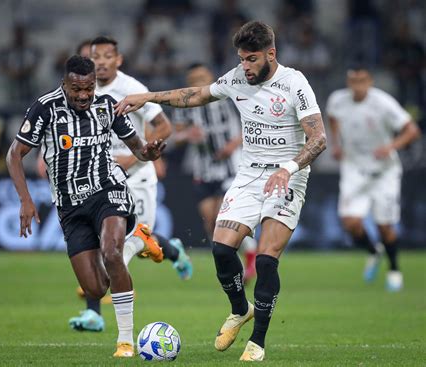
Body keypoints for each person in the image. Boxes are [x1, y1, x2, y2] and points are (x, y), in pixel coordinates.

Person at [115, 21, 327, 361]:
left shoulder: (294, 83)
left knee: (267, 259)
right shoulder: (238, 78)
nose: (245, 66)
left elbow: (319, 138)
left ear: (271, 54)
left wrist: (288, 168)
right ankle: (240, 309)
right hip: (248, 176)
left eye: (252, 59)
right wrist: (148, 97)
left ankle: (256, 342)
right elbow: (196, 95)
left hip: (289, 176)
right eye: (242, 59)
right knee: (221, 249)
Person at [6, 55, 166, 358]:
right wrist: (26, 199)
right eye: (76, 89)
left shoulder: (107, 106)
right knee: (95, 289)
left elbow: (138, 151)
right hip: (69, 206)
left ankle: (126, 342)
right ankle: (138, 242)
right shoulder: (45, 108)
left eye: (89, 89)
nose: (83, 96)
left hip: (108, 190)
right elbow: (15, 154)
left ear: (95, 84)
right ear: (65, 83)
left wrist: (150, 151)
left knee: (111, 253)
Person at [68, 36, 193, 332]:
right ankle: (93, 313)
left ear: (118, 59)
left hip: (136, 177)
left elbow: (164, 126)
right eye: (94, 56)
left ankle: (173, 251)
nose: (100, 61)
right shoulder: (82, 91)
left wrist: (141, 155)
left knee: (136, 241)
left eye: (106, 56)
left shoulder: (133, 89)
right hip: (100, 181)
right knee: (102, 245)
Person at [326, 66, 420, 291]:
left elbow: (412, 130)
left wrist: (391, 146)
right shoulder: (338, 100)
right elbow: (332, 117)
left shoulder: (383, 103)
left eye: (362, 80)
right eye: (353, 80)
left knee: (384, 227)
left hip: (383, 171)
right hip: (354, 168)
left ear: (370, 82)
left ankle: (394, 269)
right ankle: (373, 251)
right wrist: (337, 143)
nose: (357, 85)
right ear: (348, 82)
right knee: (350, 223)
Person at [171, 62, 257, 281]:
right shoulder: (185, 103)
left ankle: (248, 257)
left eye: (201, 78)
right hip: (203, 169)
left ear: (210, 76)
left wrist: (232, 144)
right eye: (193, 81)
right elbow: (176, 136)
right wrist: (188, 135)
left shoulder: (227, 97)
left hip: (232, 166)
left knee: (223, 217)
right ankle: (230, 260)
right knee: (209, 220)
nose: (198, 84)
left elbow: (250, 124)